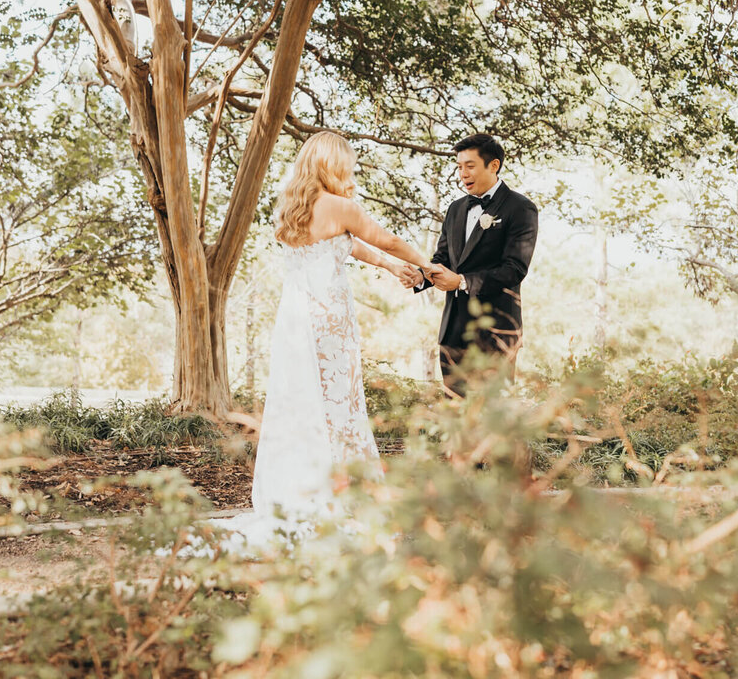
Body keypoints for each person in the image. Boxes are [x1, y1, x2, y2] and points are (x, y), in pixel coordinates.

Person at [221, 131, 434, 548]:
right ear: (334, 165)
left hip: (294, 322)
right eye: (347, 164)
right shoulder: (341, 206)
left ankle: (297, 496)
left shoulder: (293, 208)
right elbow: (384, 239)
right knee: (340, 407)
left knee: (300, 406)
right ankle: (345, 500)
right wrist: (426, 263)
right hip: (328, 322)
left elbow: (347, 248)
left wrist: (392, 269)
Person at [401, 134, 538, 396]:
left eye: (470, 166)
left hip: (495, 333)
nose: (462, 173)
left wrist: (462, 282)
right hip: (453, 331)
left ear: (494, 165)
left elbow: (515, 269)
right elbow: (443, 259)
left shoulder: (521, 208)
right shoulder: (455, 209)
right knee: (454, 414)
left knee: (491, 420)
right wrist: (421, 277)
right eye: (459, 167)